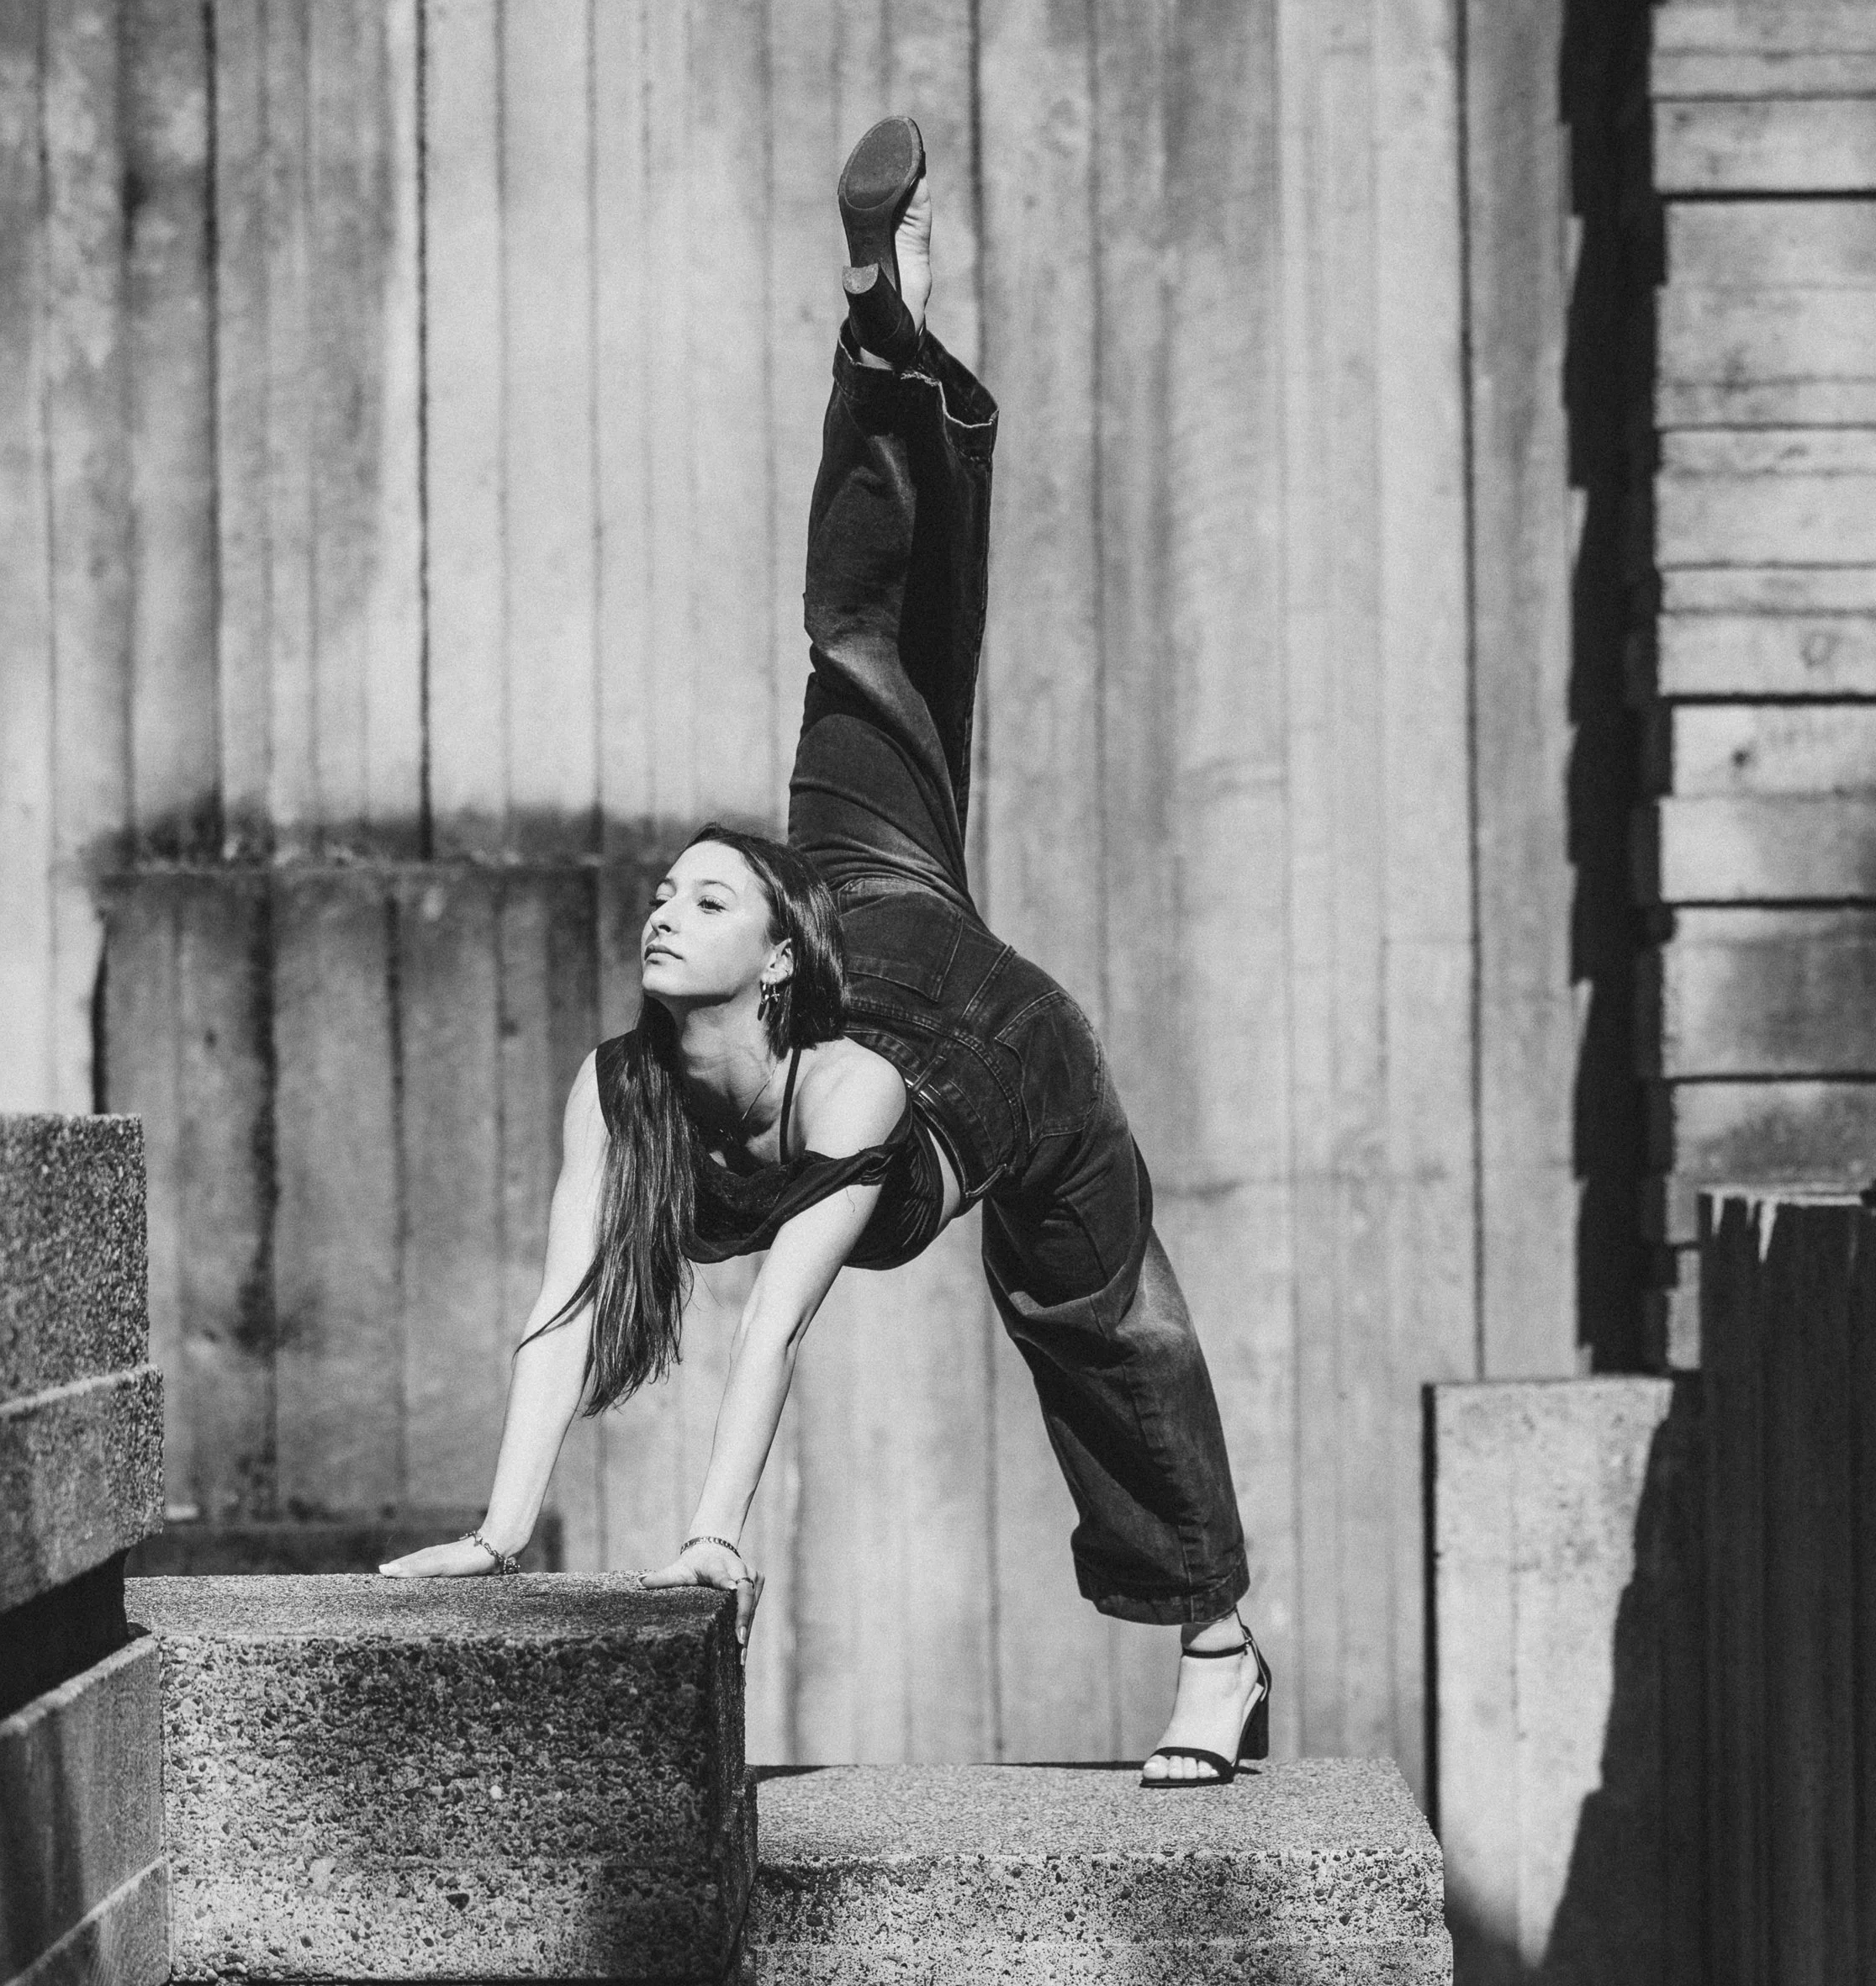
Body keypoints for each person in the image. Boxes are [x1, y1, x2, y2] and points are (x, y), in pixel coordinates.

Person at [384, 117, 1268, 1788]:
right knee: (864, 661)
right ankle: (886, 338)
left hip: (982, 1045)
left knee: (1089, 1316)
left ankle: (1218, 1646)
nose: (660, 908)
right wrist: (500, 1534)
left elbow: (779, 1325)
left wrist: (714, 1538)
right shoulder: (625, 1084)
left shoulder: (848, 1102)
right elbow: (569, 1302)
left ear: (765, 961)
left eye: (701, 899)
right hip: (861, 900)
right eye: (663, 894)